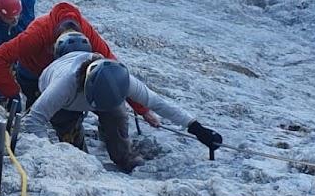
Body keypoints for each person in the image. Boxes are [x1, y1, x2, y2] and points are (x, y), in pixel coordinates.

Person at [20, 51, 222, 173]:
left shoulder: (119, 81)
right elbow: (35, 119)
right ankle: (77, 154)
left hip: (100, 95)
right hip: (65, 106)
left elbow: (157, 103)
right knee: (72, 144)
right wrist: (48, 154)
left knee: (118, 115)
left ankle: (124, 157)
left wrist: (196, 128)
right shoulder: (63, 86)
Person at [0, 1, 149, 125]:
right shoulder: (38, 34)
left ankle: (117, 149)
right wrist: (13, 94)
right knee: (61, 116)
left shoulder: (88, 34)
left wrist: (143, 110)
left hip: (76, 75)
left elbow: (114, 72)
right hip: (34, 76)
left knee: (108, 105)